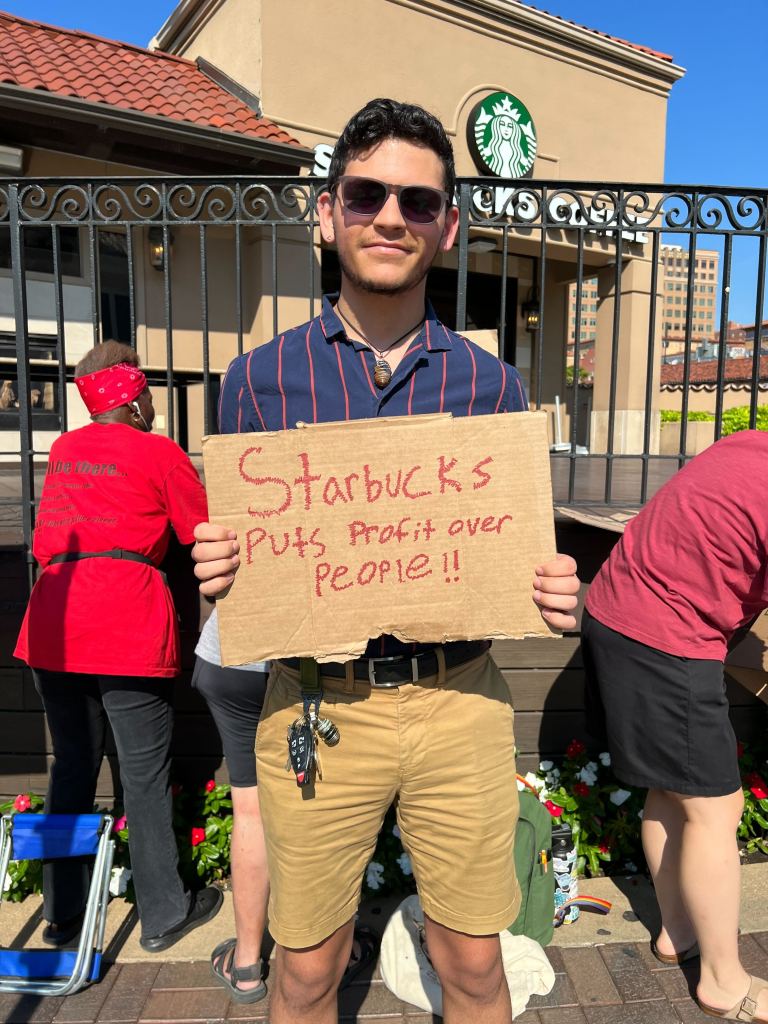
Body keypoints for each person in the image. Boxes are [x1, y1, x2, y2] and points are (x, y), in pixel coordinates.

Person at [192, 98, 579, 1024]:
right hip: (317, 703)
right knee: (306, 972)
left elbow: (510, 548)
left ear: (448, 225)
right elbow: (247, 553)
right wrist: (219, 565)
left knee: (477, 968)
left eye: (418, 200)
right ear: (328, 214)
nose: (391, 217)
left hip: (458, 700)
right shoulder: (254, 382)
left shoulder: (493, 385)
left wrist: (551, 586)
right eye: (367, 195)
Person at [14, 341, 223, 953]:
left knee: (72, 766)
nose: (154, 405)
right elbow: (201, 531)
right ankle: (164, 914)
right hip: (125, 619)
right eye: (150, 395)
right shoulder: (160, 453)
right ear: (133, 401)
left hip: (55, 621)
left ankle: (62, 913)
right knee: (144, 773)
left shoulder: (63, 450)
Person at [581, 430, 768, 1024]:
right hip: (665, 635)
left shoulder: (749, 444)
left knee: (671, 787)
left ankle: (678, 933)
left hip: (618, 611)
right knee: (716, 807)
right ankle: (723, 983)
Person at [192, 608, 379, 1003]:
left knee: (249, 810)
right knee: (326, 808)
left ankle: (245, 965)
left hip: (229, 657)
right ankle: (339, 956)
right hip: (303, 667)